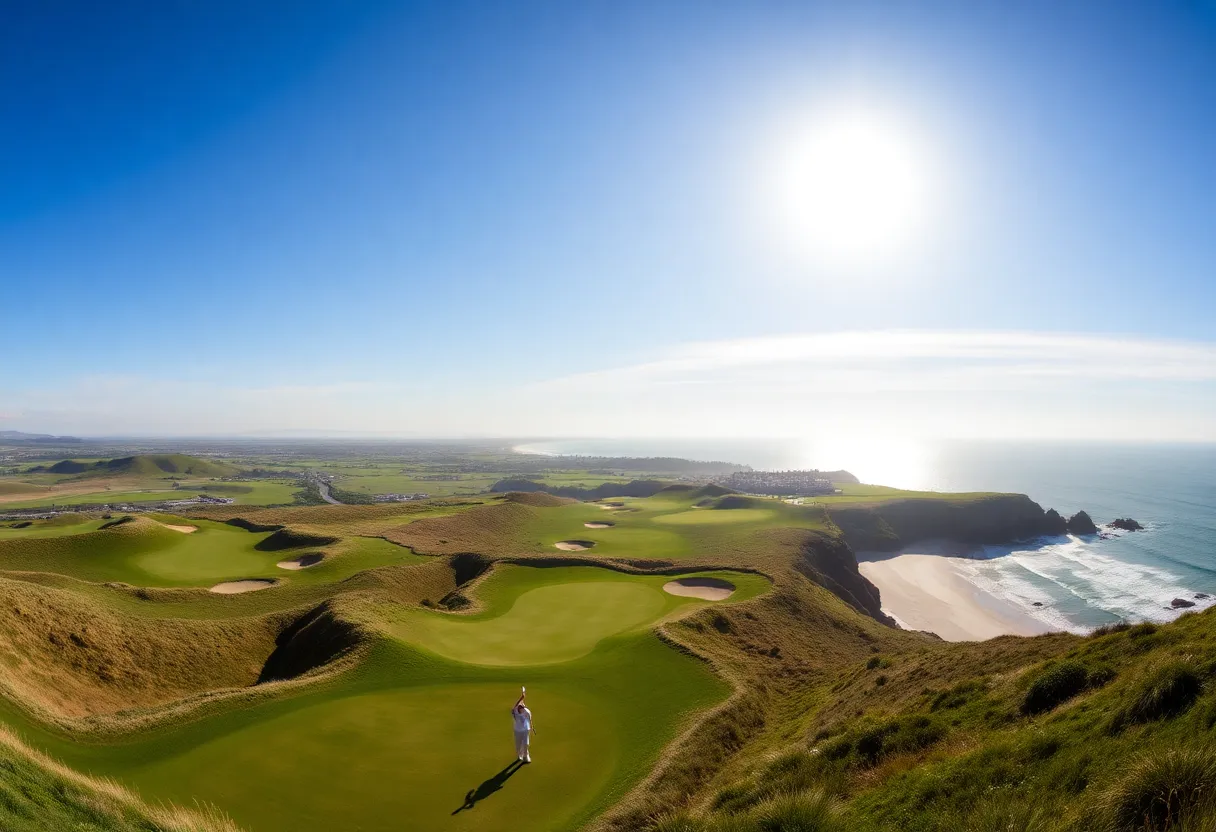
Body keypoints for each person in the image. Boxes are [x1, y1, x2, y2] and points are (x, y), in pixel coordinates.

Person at [512, 687, 534, 763]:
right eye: (520, 706)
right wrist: (522, 696)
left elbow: (530, 719)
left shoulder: (526, 711)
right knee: (518, 745)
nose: (522, 707)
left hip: (525, 729)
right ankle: (519, 754)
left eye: (523, 706)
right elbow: (516, 705)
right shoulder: (515, 711)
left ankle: (526, 756)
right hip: (517, 730)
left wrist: (532, 727)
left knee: (526, 744)